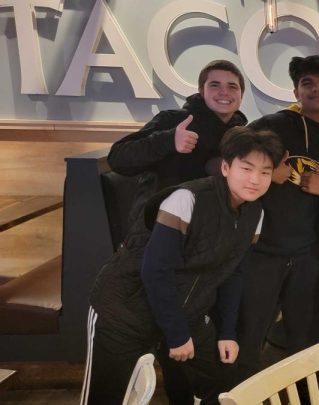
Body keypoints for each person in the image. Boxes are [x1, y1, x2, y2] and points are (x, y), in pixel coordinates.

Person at [81, 127, 283, 404]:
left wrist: (226, 332)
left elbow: (233, 274)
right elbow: (155, 271)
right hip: (125, 311)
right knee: (107, 397)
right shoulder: (187, 199)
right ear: (225, 167)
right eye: (246, 168)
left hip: (187, 309)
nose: (255, 179)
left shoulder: (255, 212)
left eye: (265, 172)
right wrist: (176, 335)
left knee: (224, 382)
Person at [234, 55, 319, 381]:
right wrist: (268, 172)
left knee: (306, 338)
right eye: (307, 83)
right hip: (264, 251)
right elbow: (233, 152)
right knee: (249, 332)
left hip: (308, 254)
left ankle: (304, 395)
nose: (317, 89)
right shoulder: (274, 125)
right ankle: (234, 395)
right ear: (296, 92)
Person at [106, 60, 248, 229]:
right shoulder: (173, 120)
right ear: (202, 91)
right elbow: (117, 158)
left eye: (232, 86)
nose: (224, 92)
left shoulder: (241, 134)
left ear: (241, 95)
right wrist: (169, 140)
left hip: (211, 229)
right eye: (215, 85)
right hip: (159, 226)